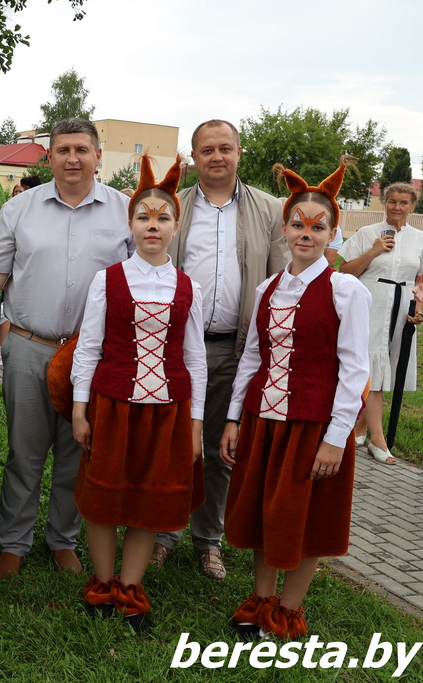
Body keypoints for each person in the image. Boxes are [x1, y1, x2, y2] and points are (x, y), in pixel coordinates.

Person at [0, 118, 132, 578]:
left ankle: (63, 540)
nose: (72, 158)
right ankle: (13, 542)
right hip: (28, 347)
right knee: (24, 453)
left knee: (77, 453)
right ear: (50, 157)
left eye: (81, 149)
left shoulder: (125, 211)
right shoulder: (20, 209)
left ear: (98, 156)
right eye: (63, 150)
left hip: (92, 355)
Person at [220, 158, 370, 639]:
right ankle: (261, 598)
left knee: (305, 519)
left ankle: (288, 610)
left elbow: (355, 369)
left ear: (332, 233)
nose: (307, 234)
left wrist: (336, 438)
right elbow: (252, 357)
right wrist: (233, 419)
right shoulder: (268, 287)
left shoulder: (345, 290)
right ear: (283, 228)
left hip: (313, 426)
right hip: (263, 420)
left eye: (317, 226)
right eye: (298, 225)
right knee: (266, 511)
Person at [71, 155, 206, 633]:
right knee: (104, 497)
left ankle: (130, 586)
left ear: (176, 226)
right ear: (129, 224)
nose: (153, 225)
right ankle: (103, 582)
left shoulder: (187, 286)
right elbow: (89, 347)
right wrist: (81, 409)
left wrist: (196, 424)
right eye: (143, 216)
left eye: (163, 218)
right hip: (113, 407)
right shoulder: (108, 279)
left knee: (149, 500)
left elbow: (195, 360)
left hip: (167, 412)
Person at [154, 119, 287, 581]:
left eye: (225, 148)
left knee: (220, 451)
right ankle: (163, 534)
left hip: (236, 348)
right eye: (207, 149)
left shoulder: (269, 210)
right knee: (172, 446)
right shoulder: (172, 206)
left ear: (239, 152)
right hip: (175, 349)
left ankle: (208, 541)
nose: (216, 156)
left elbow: (280, 282)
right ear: (193, 157)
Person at [337, 182, 423, 464]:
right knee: (372, 368)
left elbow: (421, 280)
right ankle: (378, 440)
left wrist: (419, 309)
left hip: (402, 307)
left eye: (403, 202)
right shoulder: (367, 233)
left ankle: (359, 429)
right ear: (385, 203)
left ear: (412, 206)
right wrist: (373, 251)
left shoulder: (419, 239)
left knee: (388, 368)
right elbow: (345, 271)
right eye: (392, 201)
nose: (397, 207)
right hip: (370, 304)